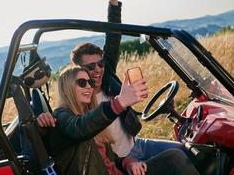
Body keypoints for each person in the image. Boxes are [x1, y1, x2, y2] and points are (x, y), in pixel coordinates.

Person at [38, 0, 193, 169]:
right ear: (77, 72)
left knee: (189, 152)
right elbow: (74, 126)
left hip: (135, 146)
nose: (97, 70)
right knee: (175, 161)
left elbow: (113, 37)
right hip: (117, 162)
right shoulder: (76, 107)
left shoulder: (106, 76)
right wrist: (43, 121)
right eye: (89, 68)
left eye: (100, 64)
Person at [41, 66, 198, 175]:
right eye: (82, 82)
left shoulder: (87, 115)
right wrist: (120, 102)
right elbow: (79, 129)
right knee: (175, 160)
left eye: (90, 82)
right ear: (67, 87)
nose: (89, 86)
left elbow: (109, 159)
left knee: (174, 156)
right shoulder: (61, 116)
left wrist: (127, 163)